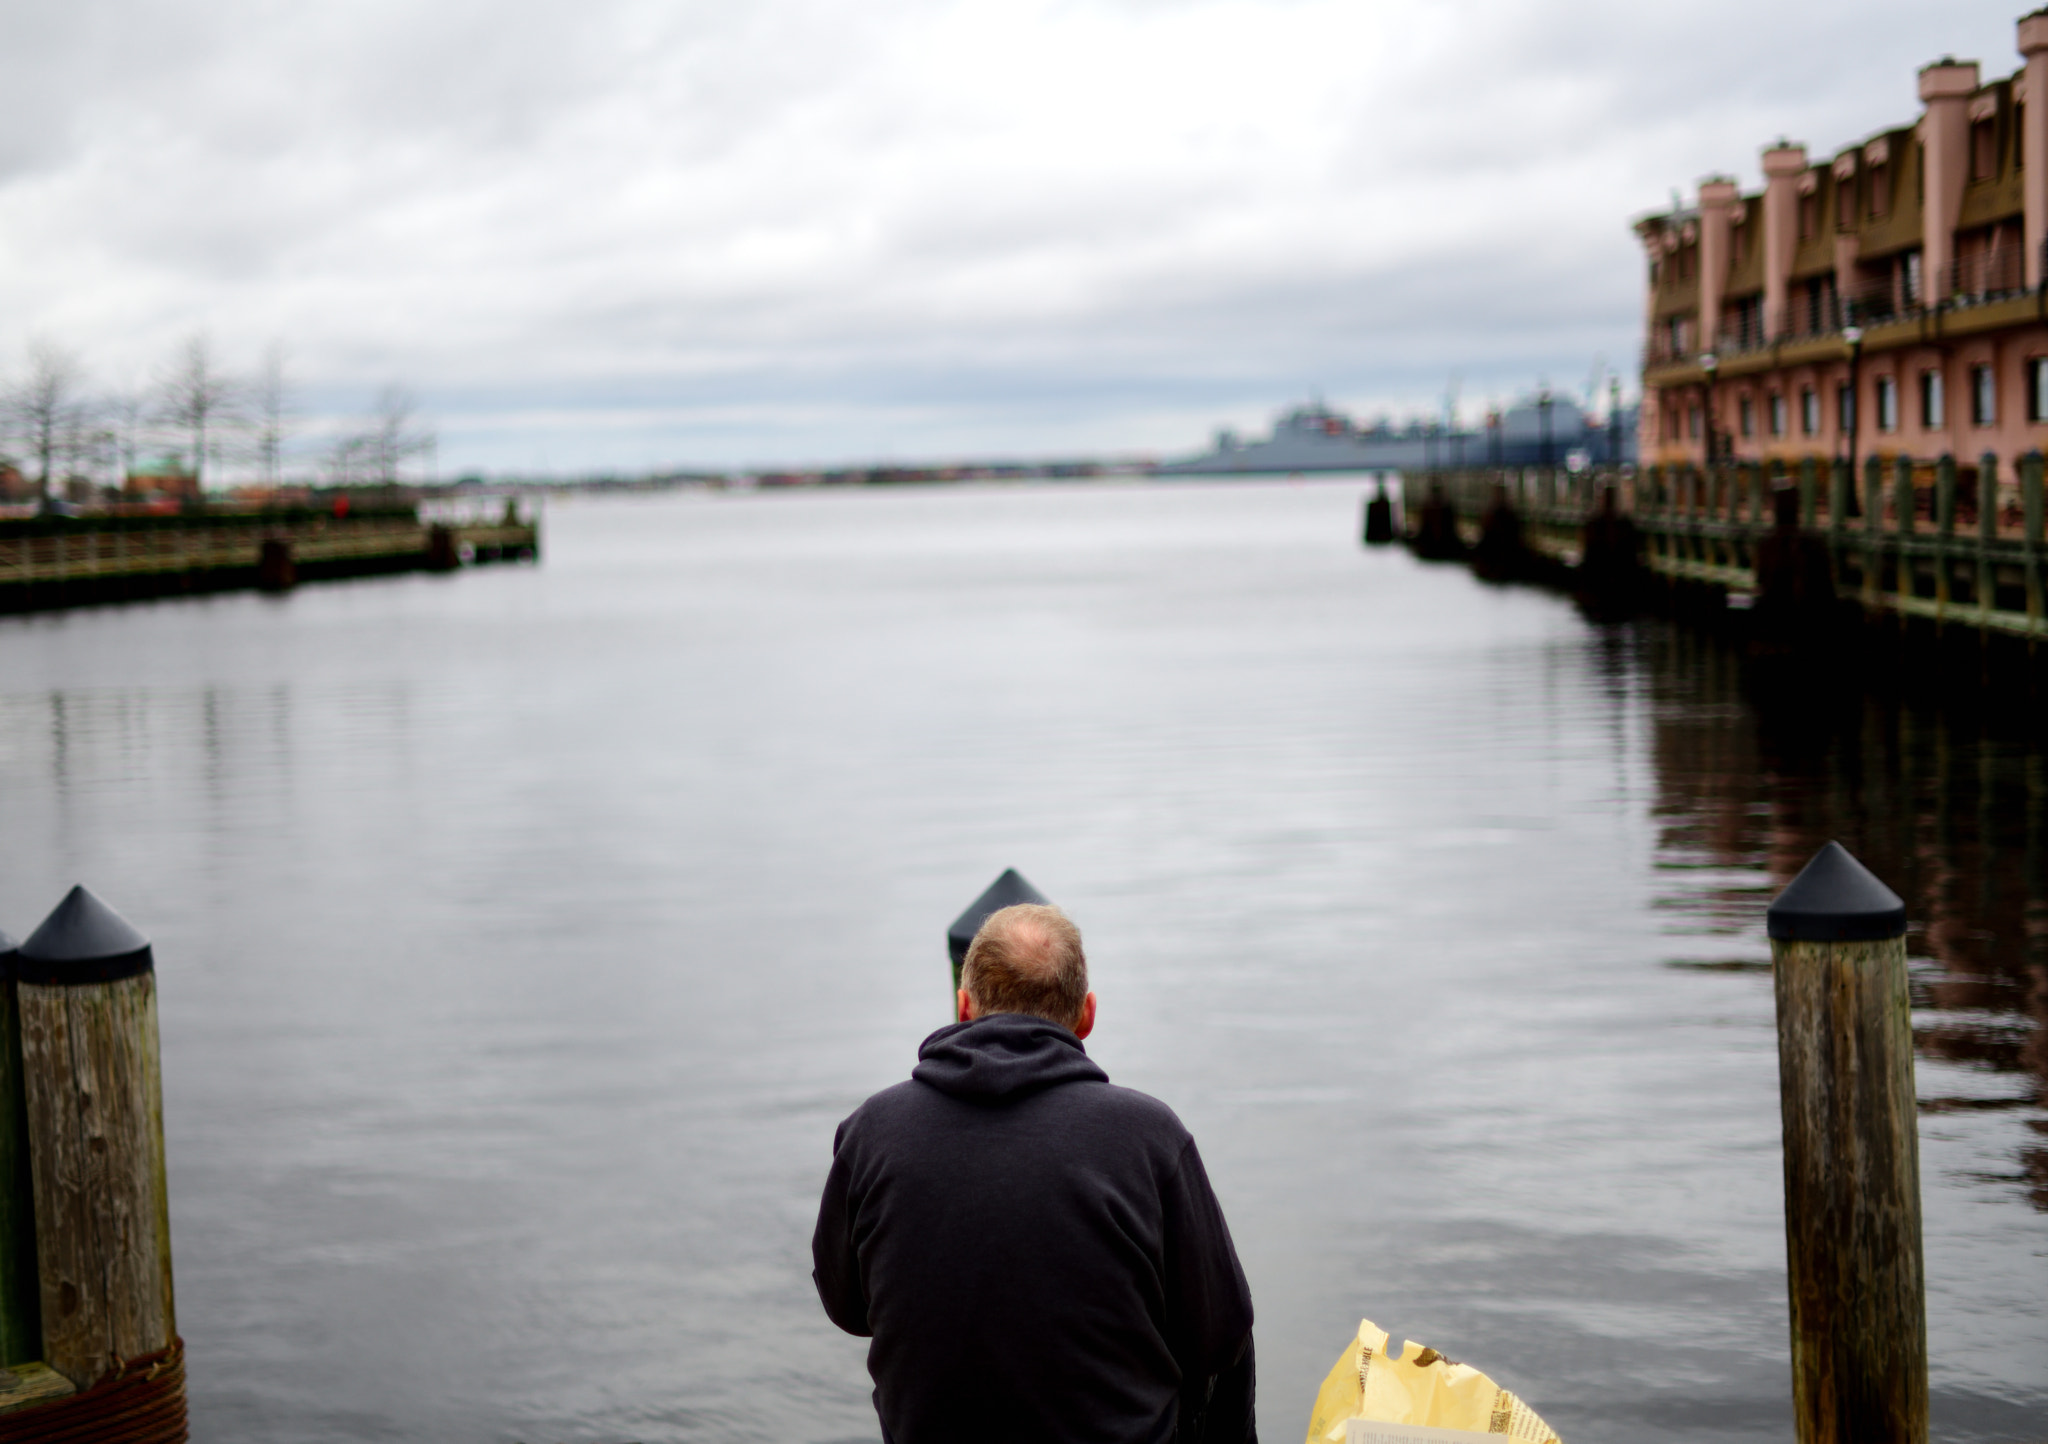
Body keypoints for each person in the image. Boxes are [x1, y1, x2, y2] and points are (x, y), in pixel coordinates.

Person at [812, 902, 1257, 1444]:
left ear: (963, 1006)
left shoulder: (872, 1132)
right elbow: (1217, 1338)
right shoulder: (1148, 1136)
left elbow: (848, 1309)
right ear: (1086, 1015)